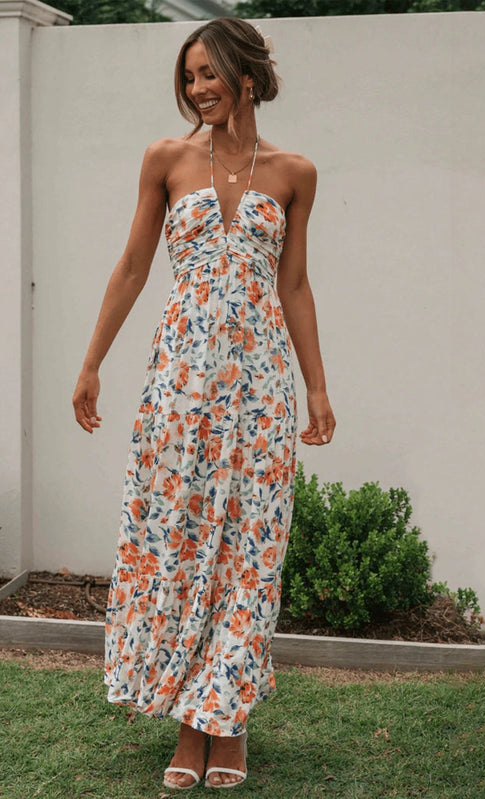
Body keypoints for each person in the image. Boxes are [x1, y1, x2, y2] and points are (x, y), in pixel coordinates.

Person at [72, 16, 335, 791]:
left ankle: (227, 720)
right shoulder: (165, 159)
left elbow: (292, 286)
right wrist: (91, 364)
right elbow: (130, 268)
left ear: (245, 75)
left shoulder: (294, 172)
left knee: (249, 552)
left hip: (259, 390)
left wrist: (316, 385)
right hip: (180, 388)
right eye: (188, 77)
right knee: (181, 545)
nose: (198, 89)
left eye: (209, 73)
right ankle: (192, 723)